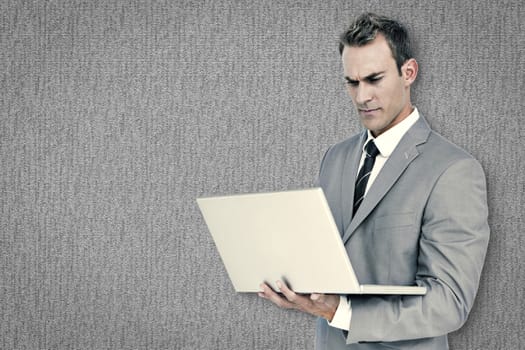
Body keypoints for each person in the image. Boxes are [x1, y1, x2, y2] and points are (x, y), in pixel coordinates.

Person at [258, 13, 490, 349]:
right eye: (352, 82)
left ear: (408, 72)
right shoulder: (334, 158)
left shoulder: (454, 170)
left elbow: (448, 303)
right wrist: (291, 280)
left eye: (374, 79)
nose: (362, 96)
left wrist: (343, 312)